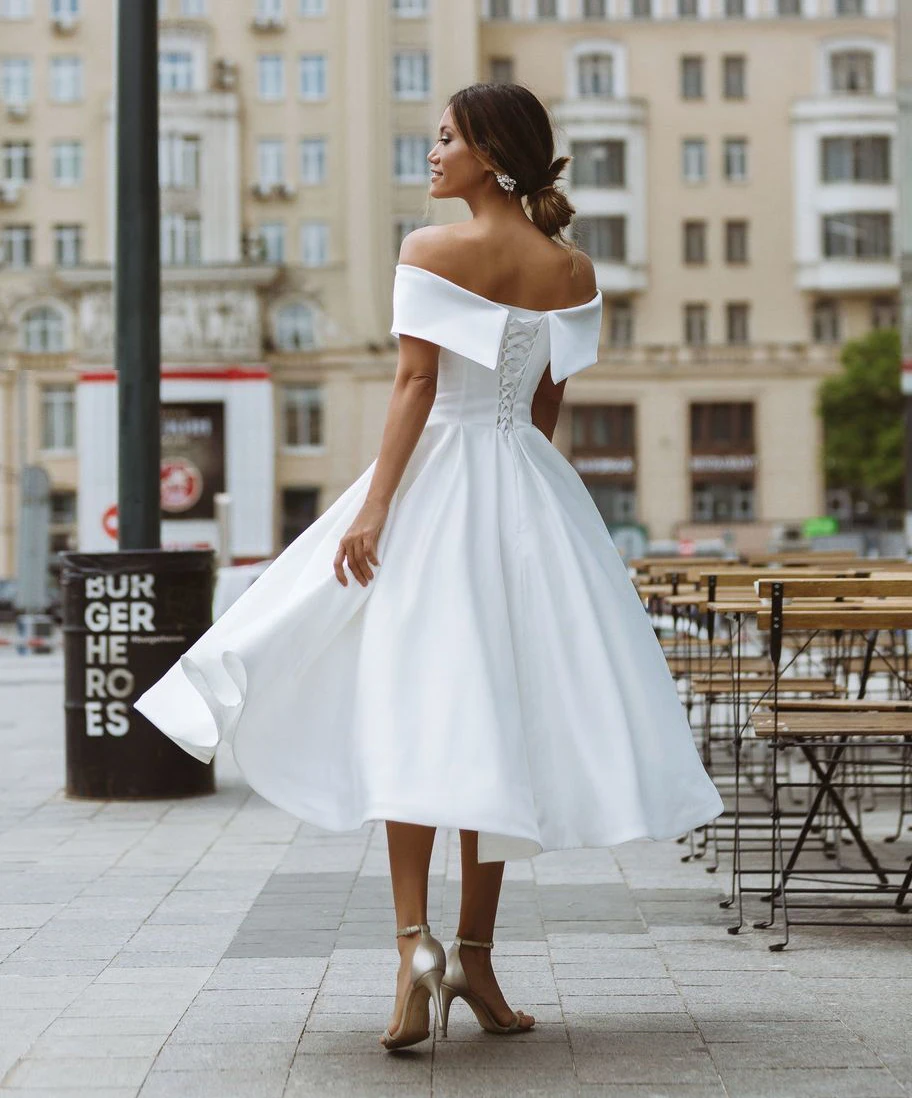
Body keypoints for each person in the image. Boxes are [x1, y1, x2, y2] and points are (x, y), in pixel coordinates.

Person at [135, 82, 723, 1053]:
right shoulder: (572, 268)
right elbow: (543, 410)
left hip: (436, 484)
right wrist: (537, 510)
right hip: (529, 494)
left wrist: (375, 510)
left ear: (490, 151)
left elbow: (415, 382)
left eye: (445, 139)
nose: (432, 154)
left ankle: (416, 954)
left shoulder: (429, 250)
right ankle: (477, 958)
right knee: (500, 726)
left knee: (420, 713)